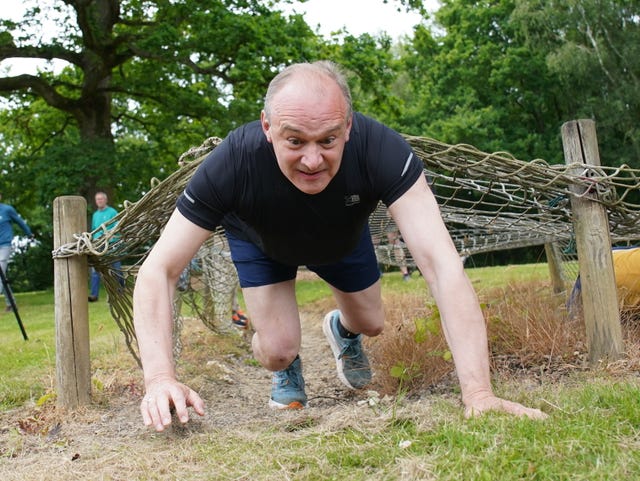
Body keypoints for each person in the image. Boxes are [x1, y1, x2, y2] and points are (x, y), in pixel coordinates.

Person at [133, 61, 547, 432]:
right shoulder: (233, 161)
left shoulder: (381, 150)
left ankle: (341, 330)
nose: (312, 160)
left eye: (328, 140)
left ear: (348, 126)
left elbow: (441, 264)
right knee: (278, 349)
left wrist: (479, 394)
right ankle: (282, 355)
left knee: (372, 324)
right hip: (263, 244)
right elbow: (159, 269)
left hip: (342, 239)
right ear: (267, 127)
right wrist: (160, 378)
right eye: (294, 141)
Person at [0, 193, 33, 312]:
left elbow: (20, 222)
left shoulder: (7, 210)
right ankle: (11, 304)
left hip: (5, 245)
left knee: (0, 271)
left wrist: (29, 234)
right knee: (2, 276)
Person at [89, 192, 121, 302]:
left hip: (111, 244)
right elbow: (93, 229)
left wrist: (112, 240)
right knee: (95, 271)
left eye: (101, 199)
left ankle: (119, 292)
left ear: (105, 200)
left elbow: (117, 228)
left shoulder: (112, 212)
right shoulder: (95, 215)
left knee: (115, 269)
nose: (99, 201)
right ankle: (94, 295)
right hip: (97, 245)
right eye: (97, 199)